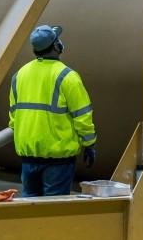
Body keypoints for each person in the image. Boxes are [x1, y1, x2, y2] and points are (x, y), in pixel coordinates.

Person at [9, 24, 97, 197]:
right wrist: (89, 144)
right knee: (54, 209)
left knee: (30, 208)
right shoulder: (67, 77)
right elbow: (82, 116)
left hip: (28, 158)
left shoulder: (20, 75)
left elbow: (13, 118)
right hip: (58, 161)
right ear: (56, 46)